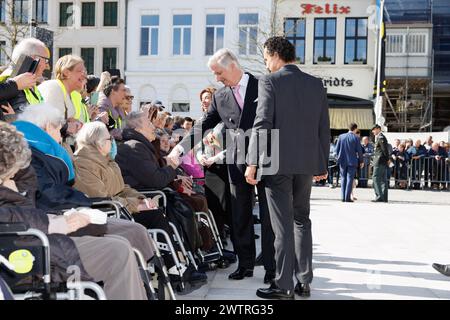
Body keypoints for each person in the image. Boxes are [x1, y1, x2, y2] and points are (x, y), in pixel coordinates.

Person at [169, 48, 275, 283]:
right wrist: (179, 149)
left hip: (267, 159)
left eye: (218, 73)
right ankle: (245, 264)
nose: (217, 79)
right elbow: (203, 124)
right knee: (240, 214)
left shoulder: (265, 85)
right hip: (237, 161)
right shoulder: (220, 97)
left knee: (269, 217)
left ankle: (271, 267)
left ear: (232, 66)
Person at [246, 36, 330, 299]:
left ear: (275, 54)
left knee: (282, 226)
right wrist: (321, 163)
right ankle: (304, 282)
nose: (266, 62)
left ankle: (283, 285)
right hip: (305, 163)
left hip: (276, 164)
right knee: (302, 220)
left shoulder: (269, 81)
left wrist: (252, 162)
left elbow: (263, 124)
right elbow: (322, 128)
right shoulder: (316, 84)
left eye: (266, 57)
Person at [0, 38, 49, 114]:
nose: (47, 66)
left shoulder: (29, 83)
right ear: (34, 58)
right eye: (46, 60)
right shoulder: (10, 80)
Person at [335, 123, 363, 202]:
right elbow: (359, 151)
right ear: (355, 129)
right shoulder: (356, 138)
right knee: (350, 179)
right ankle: (347, 198)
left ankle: (342, 197)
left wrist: (338, 157)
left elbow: (337, 149)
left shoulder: (341, 136)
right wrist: (361, 161)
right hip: (352, 161)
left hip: (342, 161)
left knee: (343, 178)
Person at [371, 125, 390, 202]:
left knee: (376, 178)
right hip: (381, 161)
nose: (373, 132)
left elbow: (384, 150)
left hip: (379, 161)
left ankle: (379, 196)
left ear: (378, 129)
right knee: (382, 180)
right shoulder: (379, 137)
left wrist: (387, 159)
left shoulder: (380, 137)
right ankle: (383, 197)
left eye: (374, 130)